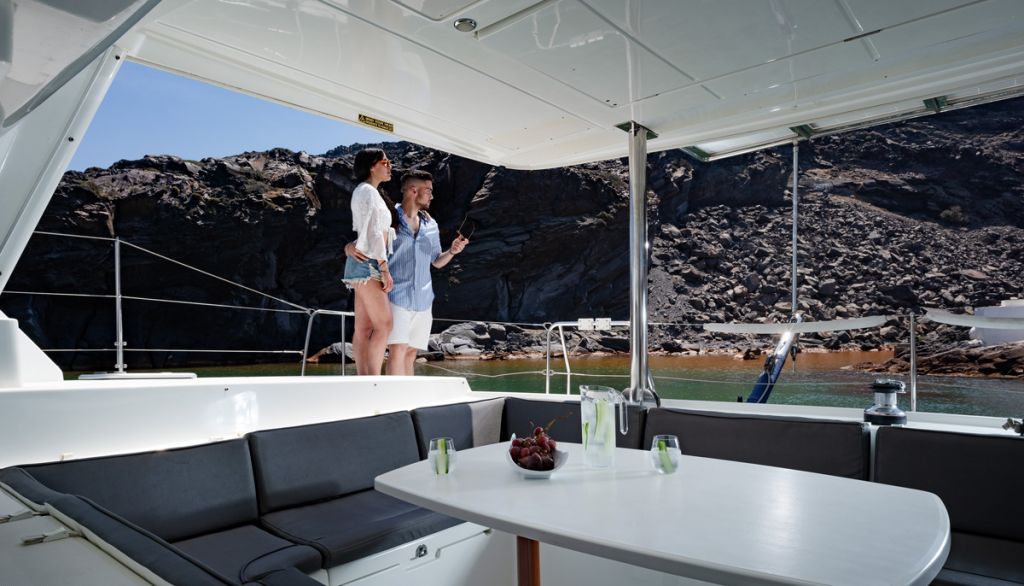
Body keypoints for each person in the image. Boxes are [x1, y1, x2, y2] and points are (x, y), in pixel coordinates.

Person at [346, 170, 468, 375]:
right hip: (396, 295)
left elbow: (437, 261)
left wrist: (452, 251)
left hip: (424, 299)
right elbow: (369, 241)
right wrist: (349, 247)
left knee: (411, 352)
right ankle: (393, 392)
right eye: (428, 191)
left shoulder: (431, 224)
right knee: (398, 349)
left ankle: (407, 394)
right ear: (413, 190)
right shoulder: (389, 216)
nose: (432, 196)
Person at [341, 148, 399, 375]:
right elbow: (374, 233)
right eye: (385, 162)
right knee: (384, 325)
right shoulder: (368, 191)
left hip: (362, 263)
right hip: (370, 264)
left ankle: (364, 379)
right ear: (372, 166)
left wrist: (350, 247)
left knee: (364, 328)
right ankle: (373, 380)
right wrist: (384, 268)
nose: (390, 166)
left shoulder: (365, 191)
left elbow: (364, 231)